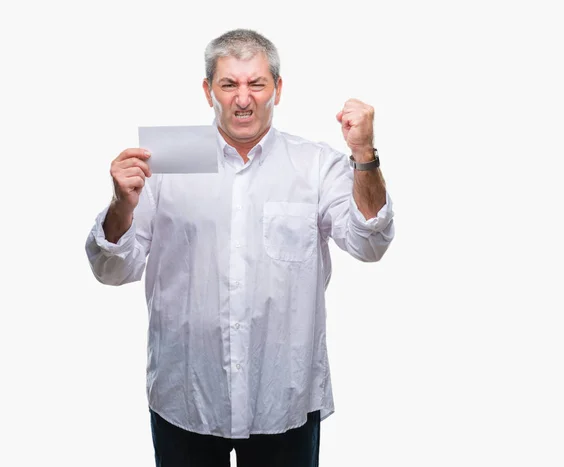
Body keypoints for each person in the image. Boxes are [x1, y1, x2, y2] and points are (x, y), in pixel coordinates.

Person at [85, 28, 395, 467]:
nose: (243, 99)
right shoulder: (165, 164)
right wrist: (121, 204)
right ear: (208, 90)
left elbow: (370, 242)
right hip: (187, 396)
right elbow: (113, 270)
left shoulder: (314, 165)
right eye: (229, 84)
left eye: (257, 84)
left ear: (278, 90)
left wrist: (364, 153)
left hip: (282, 400)